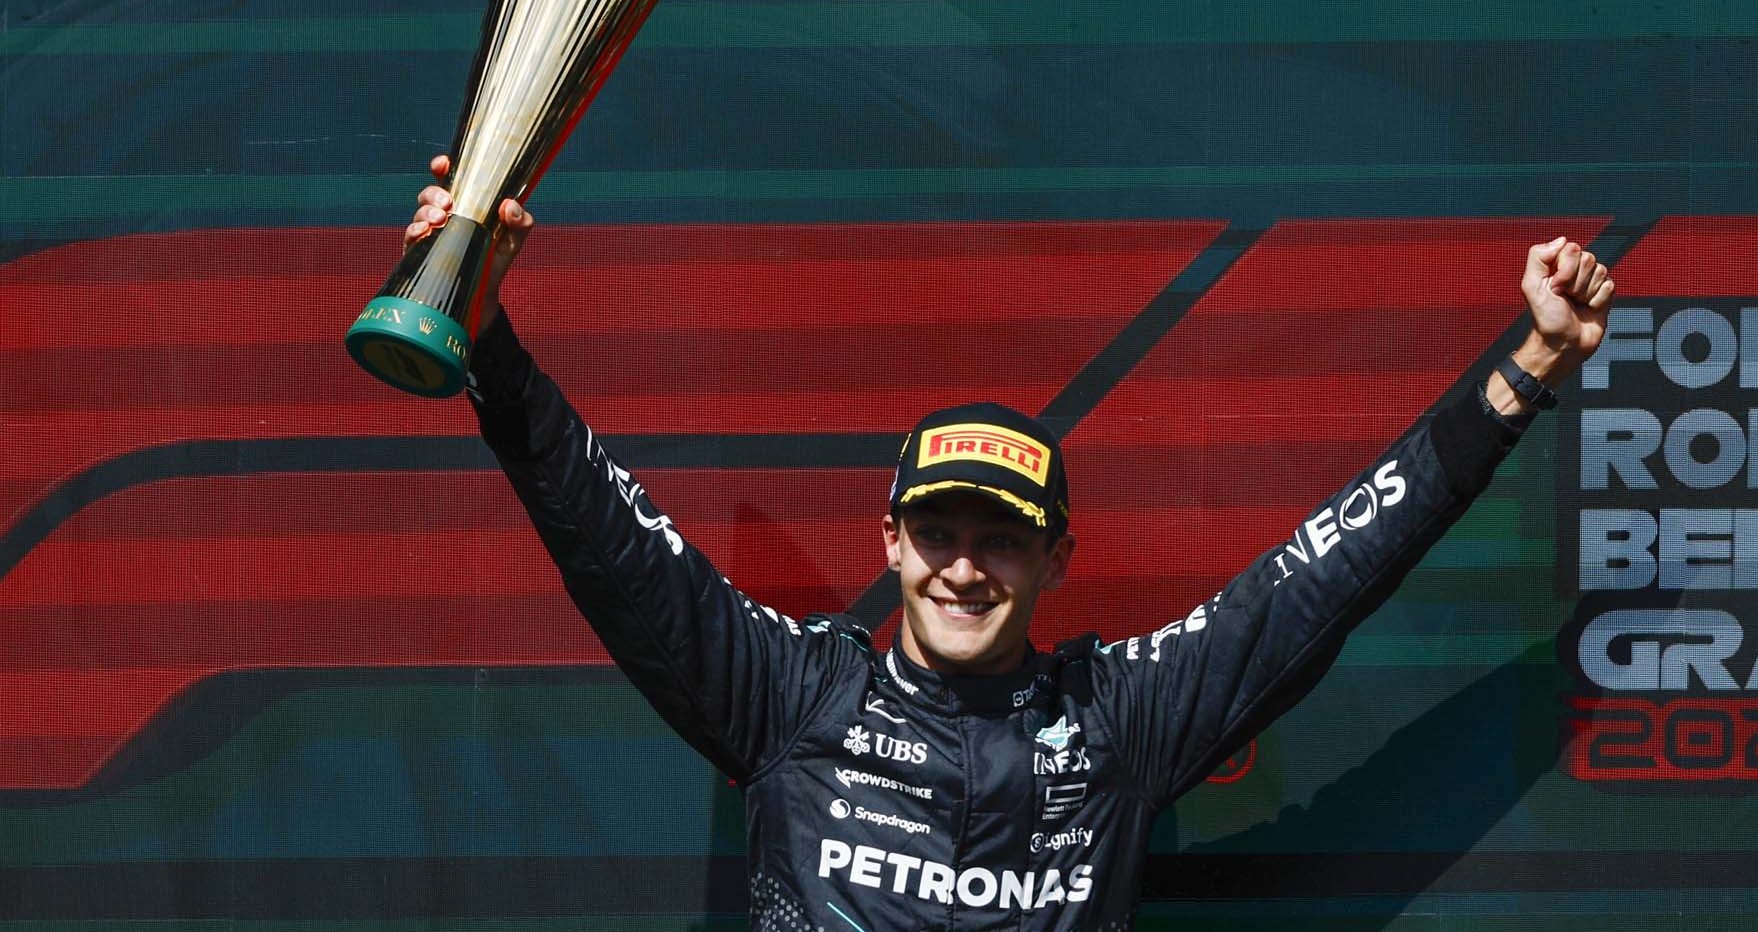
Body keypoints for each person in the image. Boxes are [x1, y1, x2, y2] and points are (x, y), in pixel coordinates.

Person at [405, 156, 1615, 928]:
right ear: (890, 537)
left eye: (1001, 540)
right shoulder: (788, 694)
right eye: (937, 533)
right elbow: (612, 542)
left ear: (1056, 560)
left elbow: (1325, 575)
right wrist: (489, 334)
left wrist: (1522, 376)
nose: (964, 567)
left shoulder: (1120, 715)